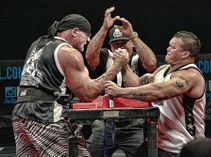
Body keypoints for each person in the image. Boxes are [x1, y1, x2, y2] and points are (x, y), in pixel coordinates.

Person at [11, 14, 129, 157]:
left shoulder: (37, 44)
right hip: (44, 114)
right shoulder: (68, 52)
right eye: (87, 35)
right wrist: (117, 66)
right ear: (75, 32)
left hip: (20, 114)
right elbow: (88, 93)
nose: (88, 39)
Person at [105, 31, 206, 157]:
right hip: (155, 143)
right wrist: (123, 63)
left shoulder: (191, 75)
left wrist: (120, 92)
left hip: (181, 147)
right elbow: (138, 86)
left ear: (185, 53)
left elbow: (160, 92)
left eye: (173, 47)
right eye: (169, 45)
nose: (167, 49)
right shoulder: (163, 70)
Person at [85, 6, 157, 157]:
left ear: (131, 43)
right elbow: (90, 57)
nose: (120, 46)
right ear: (110, 45)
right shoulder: (105, 56)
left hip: (134, 123)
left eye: (124, 42)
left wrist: (132, 38)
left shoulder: (138, 59)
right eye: (116, 44)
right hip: (104, 122)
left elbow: (151, 64)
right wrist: (105, 28)